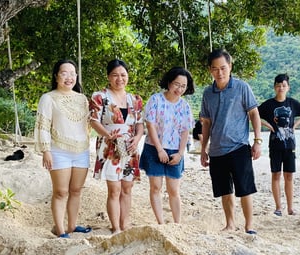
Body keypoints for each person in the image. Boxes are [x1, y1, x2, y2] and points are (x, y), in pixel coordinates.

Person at [199, 49, 263, 235]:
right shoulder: (207, 93)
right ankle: (230, 223)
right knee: (225, 190)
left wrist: (257, 141)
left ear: (230, 67)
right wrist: (204, 149)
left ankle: (249, 224)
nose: (220, 72)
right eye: (215, 69)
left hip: (239, 147)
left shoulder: (242, 87)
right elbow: (207, 123)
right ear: (210, 70)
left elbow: (254, 114)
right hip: (217, 150)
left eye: (223, 68)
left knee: (245, 189)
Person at [34, 59, 93, 238]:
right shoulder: (48, 98)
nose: (69, 77)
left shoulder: (82, 99)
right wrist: (46, 150)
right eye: (64, 73)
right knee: (61, 192)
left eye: (72, 73)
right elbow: (43, 126)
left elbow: (89, 123)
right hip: (58, 150)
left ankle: (72, 226)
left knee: (76, 191)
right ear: (56, 76)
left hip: (81, 150)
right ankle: (60, 231)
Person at [90, 59, 144, 234]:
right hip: (110, 146)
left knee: (127, 188)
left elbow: (139, 123)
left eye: (123, 75)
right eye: (115, 75)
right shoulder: (100, 97)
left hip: (129, 147)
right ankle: (116, 227)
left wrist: (136, 139)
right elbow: (93, 120)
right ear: (108, 77)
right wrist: (107, 135)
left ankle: (125, 223)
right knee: (114, 189)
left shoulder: (135, 100)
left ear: (128, 76)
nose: (119, 79)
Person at [140, 67, 195, 224]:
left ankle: (177, 223)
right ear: (169, 82)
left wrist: (180, 153)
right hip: (154, 147)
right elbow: (150, 126)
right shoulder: (155, 100)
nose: (179, 89)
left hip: (175, 150)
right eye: (177, 84)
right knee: (155, 187)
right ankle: (161, 223)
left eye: (183, 86)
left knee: (173, 190)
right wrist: (159, 149)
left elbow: (185, 131)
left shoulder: (185, 106)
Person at [258, 73, 300, 216]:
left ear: (288, 87)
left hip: (290, 145)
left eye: (283, 85)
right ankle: (278, 207)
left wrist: (296, 124)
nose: (281, 88)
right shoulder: (269, 104)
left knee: (289, 176)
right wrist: (267, 125)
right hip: (275, 145)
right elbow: (253, 115)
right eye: (278, 85)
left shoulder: (292, 103)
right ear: (274, 87)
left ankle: (290, 208)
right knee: (276, 175)